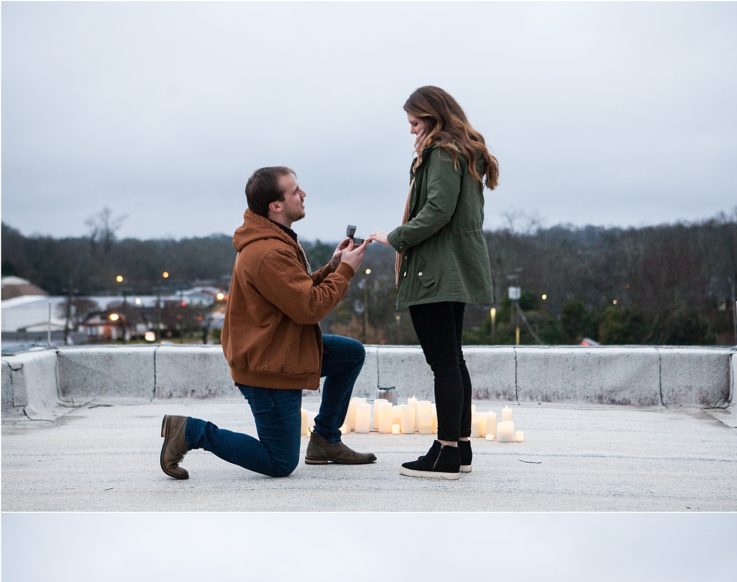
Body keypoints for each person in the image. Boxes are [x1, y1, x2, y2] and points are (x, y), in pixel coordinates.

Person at [160, 166, 376, 481]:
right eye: (295, 191)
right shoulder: (268, 252)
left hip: (280, 346)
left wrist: (332, 267)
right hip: (268, 366)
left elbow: (295, 292)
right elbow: (308, 308)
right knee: (279, 462)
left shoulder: (275, 239)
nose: (303, 195)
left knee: (350, 354)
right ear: (275, 205)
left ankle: (326, 440)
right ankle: (191, 431)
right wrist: (346, 272)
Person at [369, 86, 499, 480]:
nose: (411, 132)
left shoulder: (443, 153)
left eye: (414, 123)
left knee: (444, 363)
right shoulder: (463, 153)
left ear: (433, 117)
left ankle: (444, 453)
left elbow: (438, 209)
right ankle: (459, 448)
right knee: (453, 361)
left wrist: (397, 237)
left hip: (434, 272)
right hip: (451, 269)